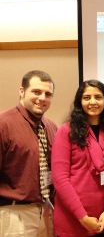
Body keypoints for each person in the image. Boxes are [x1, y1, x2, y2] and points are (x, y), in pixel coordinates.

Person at [51, 79, 104, 236]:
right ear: (80, 102)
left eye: (98, 97)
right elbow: (60, 179)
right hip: (73, 222)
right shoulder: (66, 131)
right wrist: (82, 217)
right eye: (86, 97)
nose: (93, 102)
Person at [0, 70, 57, 236]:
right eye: (36, 92)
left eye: (48, 94)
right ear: (22, 91)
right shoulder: (4, 125)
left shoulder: (52, 127)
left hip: (46, 209)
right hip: (13, 213)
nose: (42, 98)